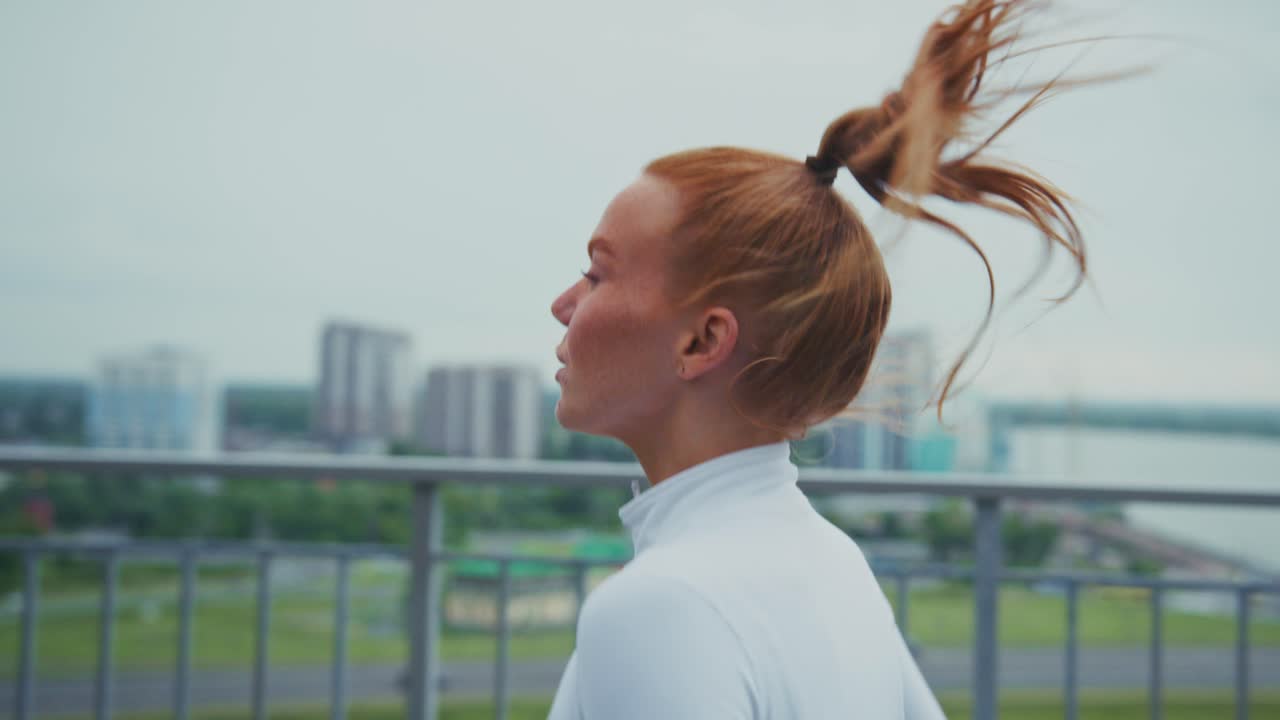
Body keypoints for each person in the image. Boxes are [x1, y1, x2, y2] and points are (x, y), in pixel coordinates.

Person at [546, 1, 1093, 717]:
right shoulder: (834, 562)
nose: (565, 302)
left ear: (703, 342)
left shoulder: (661, 606)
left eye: (598, 273)